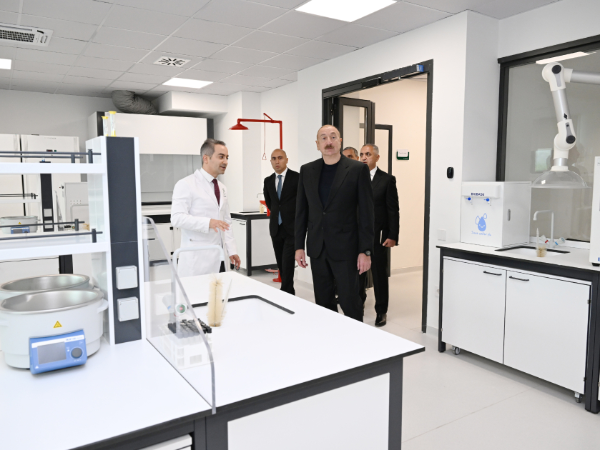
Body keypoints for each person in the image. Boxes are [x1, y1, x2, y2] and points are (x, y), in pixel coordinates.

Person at [295, 125, 374, 321]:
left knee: (350, 301)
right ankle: (329, 336)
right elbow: (301, 212)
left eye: (333, 137)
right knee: (323, 301)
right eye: (323, 138)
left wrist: (365, 251)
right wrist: (299, 246)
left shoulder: (357, 169)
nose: (328, 141)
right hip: (318, 248)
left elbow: (367, 213)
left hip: (346, 249)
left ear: (340, 141)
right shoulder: (307, 170)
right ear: (317, 144)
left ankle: (355, 337)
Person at [171, 138, 241, 277]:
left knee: (219, 290)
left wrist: (231, 250)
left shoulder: (222, 188)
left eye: (227, 157)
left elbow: (226, 222)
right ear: (206, 158)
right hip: (197, 258)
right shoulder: (186, 184)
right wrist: (208, 222)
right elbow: (177, 218)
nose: (225, 161)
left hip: (220, 257)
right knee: (198, 291)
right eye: (221, 157)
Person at [359, 144, 400, 327]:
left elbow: (393, 210)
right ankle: (358, 304)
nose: (363, 157)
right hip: (357, 235)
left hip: (378, 236)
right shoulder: (354, 177)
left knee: (379, 275)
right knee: (358, 273)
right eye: (361, 154)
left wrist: (393, 235)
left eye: (368, 154)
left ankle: (381, 311)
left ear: (377, 157)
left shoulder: (387, 180)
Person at [263, 149, 299, 295]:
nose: (277, 161)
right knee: (281, 263)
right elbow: (270, 203)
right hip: (275, 228)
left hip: (291, 228)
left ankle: (287, 292)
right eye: (273, 158)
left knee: (287, 262)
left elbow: (302, 203)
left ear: (286, 160)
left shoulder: (297, 178)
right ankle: (288, 291)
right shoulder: (268, 181)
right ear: (271, 161)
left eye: (280, 158)